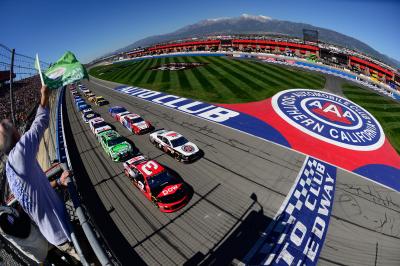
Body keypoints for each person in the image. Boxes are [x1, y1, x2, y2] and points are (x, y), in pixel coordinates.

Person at [0, 85, 79, 262]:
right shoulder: (20, 152)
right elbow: (40, 122)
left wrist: (58, 182)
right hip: (63, 231)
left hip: (52, 235)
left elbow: (35, 194)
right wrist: (44, 95)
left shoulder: (10, 170)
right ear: (16, 134)